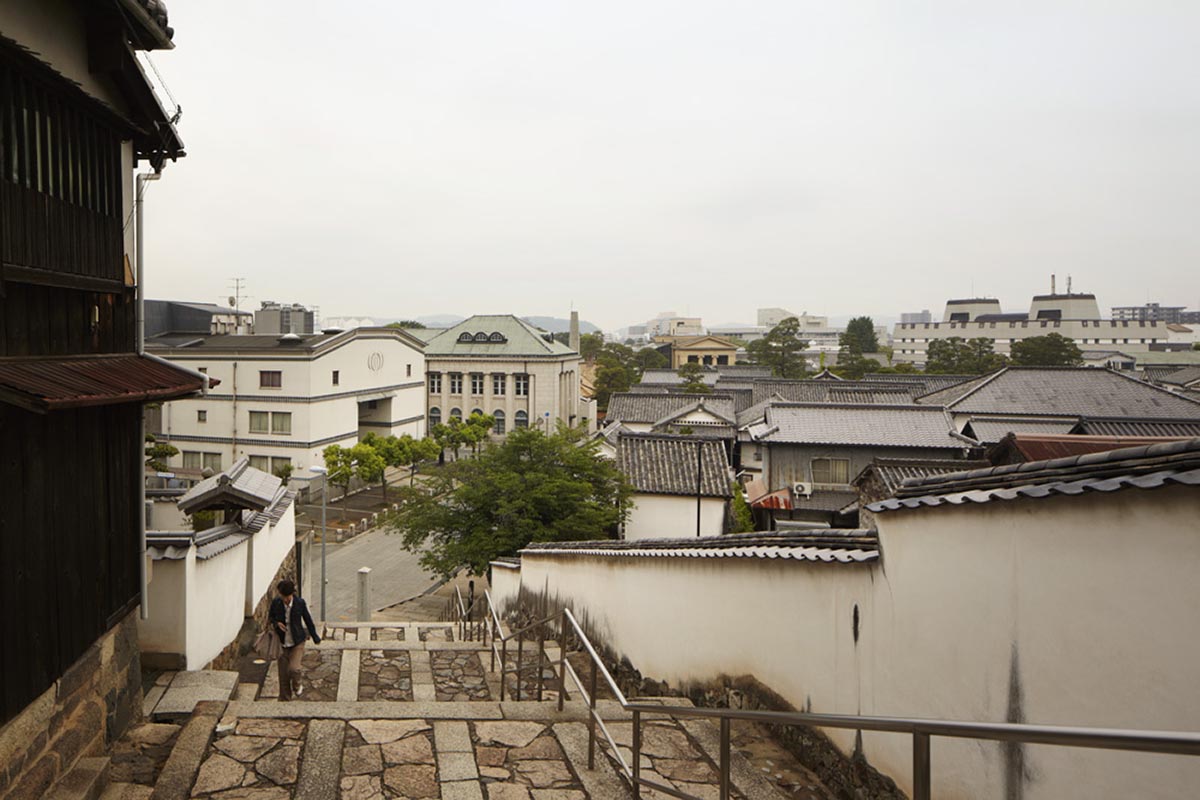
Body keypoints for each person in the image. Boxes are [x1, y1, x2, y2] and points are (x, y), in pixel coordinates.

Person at [268, 579, 320, 701]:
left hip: (297, 641)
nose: (285, 599)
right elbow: (271, 617)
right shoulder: (276, 603)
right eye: (283, 596)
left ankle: (297, 685)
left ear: (292, 594)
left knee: (294, 668)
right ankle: (285, 701)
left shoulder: (299, 603)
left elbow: (308, 620)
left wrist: (315, 636)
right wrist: (277, 624)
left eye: (287, 597)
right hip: (282, 642)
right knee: (283, 676)